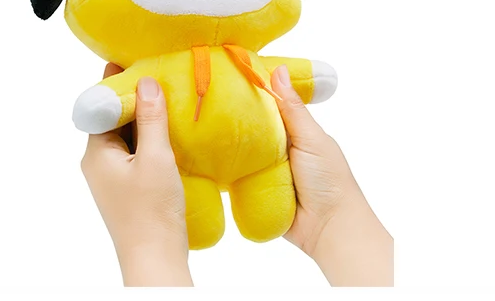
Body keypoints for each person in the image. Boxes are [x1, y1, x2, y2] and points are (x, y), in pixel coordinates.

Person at [80, 64, 394, 287]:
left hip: (263, 165)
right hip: (189, 171)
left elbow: (310, 76)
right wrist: (333, 220)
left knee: (267, 212)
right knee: (200, 225)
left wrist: (146, 244)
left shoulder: (243, 58)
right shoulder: (154, 66)